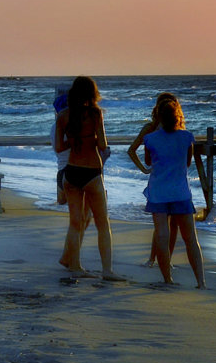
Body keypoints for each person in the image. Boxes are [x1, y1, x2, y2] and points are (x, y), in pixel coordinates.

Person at [134, 94, 206, 289]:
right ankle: (201, 281)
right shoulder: (187, 137)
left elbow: (149, 162)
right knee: (190, 238)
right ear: (178, 116)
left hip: (158, 191)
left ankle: (167, 279)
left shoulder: (150, 138)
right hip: (181, 191)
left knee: (162, 235)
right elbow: (188, 162)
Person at [55, 76, 122, 281]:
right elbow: (102, 144)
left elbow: (59, 147)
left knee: (75, 223)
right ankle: (107, 271)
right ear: (92, 94)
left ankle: (75, 267)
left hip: (72, 171)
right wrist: (91, 141)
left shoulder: (63, 116)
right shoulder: (95, 114)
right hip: (92, 172)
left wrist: (75, 142)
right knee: (103, 224)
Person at [127, 93, 183, 266]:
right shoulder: (159, 129)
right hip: (171, 180)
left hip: (162, 178)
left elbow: (135, 152)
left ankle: (160, 259)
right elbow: (133, 151)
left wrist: (145, 168)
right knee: (167, 224)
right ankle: (158, 259)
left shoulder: (157, 129)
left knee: (164, 224)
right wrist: (145, 168)